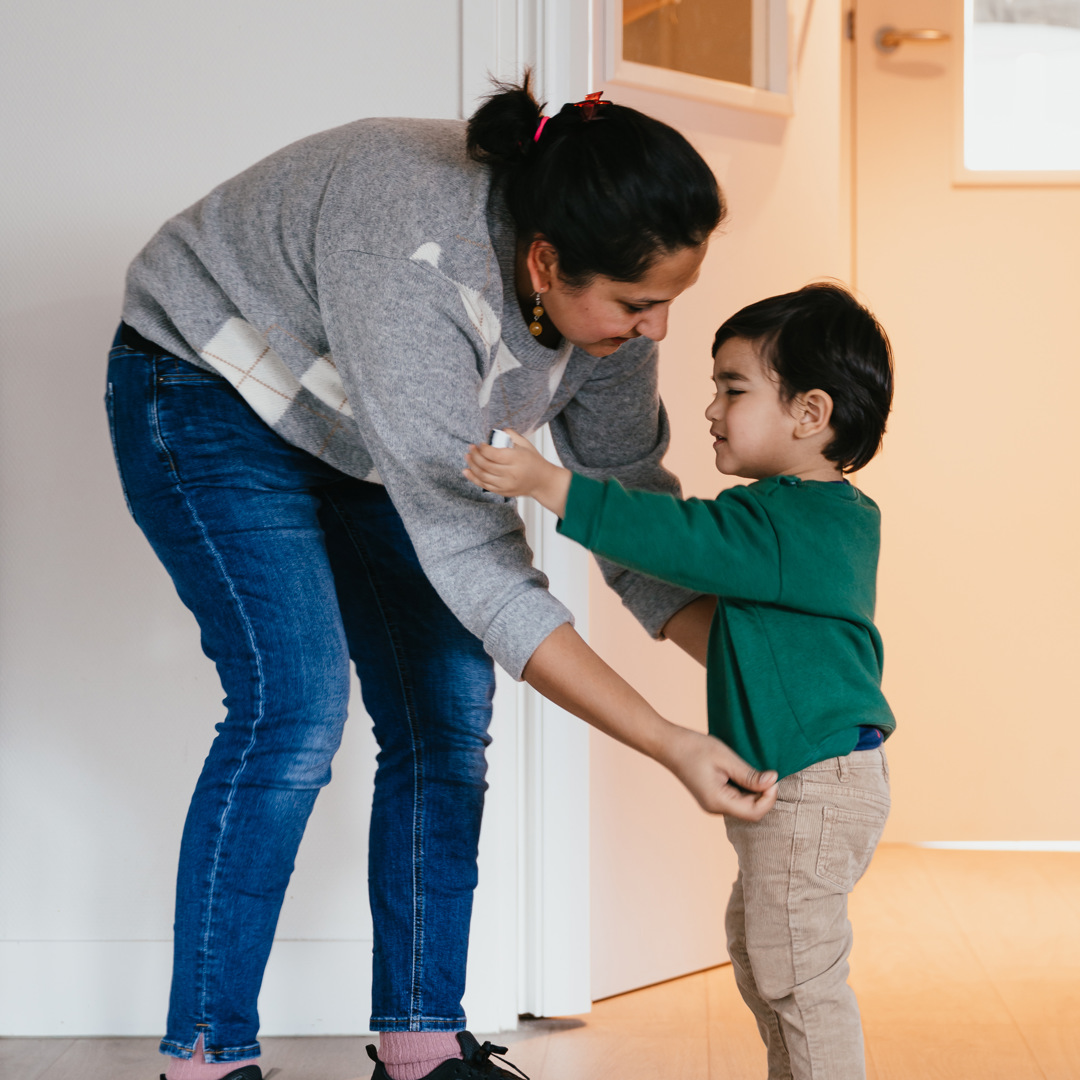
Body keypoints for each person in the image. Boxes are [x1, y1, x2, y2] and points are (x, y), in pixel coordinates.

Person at [106, 74, 779, 1080]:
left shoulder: (609, 307)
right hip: (208, 388)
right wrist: (668, 740)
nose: (659, 332)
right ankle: (204, 1057)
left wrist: (762, 663)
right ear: (545, 262)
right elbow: (472, 555)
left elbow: (623, 496)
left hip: (361, 422)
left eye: (670, 302)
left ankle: (421, 1043)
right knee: (292, 705)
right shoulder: (415, 251)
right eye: (640, 305)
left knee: (445, 711)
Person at [465, 282, 896, 1080]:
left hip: (814, 782)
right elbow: (731, 623)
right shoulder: (815, 522)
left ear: (809, 414)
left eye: (732, 389)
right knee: (765, 956)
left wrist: (546, 482)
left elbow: (675, 536)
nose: (709, 411)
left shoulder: (786, 519)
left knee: (797, 974)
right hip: (810, 778)